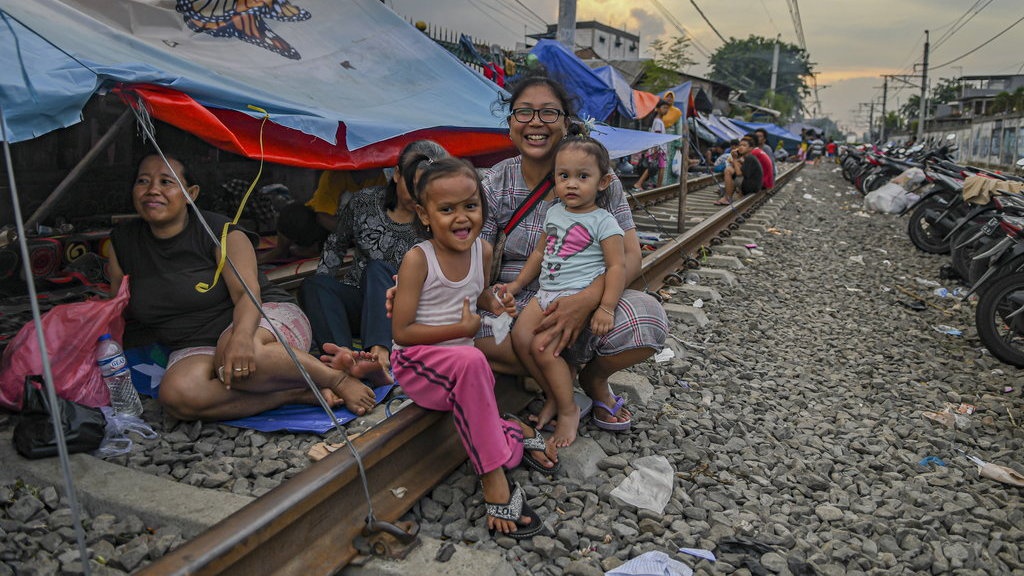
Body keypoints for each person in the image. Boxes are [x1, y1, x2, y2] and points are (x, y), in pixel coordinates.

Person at [108, 153, 388, 421]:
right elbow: (117, 309)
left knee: (242, 359)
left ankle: (337, 378)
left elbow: (247, 295)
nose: (152, 190)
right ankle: (295, 393)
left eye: (166, 182)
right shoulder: (123, 243)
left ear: (190, 193)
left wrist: (240, 340)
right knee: (178, 395)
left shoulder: (220, 232)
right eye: (143, 181)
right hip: (193, 343)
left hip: (259, 318)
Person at [479, 74, 668, 432]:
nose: (535, 122)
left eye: (549, 113)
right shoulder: (495, 182)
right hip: (518, 303)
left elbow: (630, 255)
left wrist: (587, 301)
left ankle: (592, 379)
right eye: (524, 113)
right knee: (466, 331)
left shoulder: (598, 175)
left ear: (566, 123)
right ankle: (560, 374)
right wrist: (487, 294)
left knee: (649, 320)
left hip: (588, 292)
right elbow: (480, 253)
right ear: (510, 126)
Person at [388, 157, 556, 539]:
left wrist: (492, 302)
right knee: (472, 358)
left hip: (462, 363)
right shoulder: (418, 259)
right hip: (418, 365)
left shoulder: (481, 251)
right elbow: (401, 331)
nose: (461, 218)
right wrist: (459, 328)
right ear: (425, 215)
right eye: (446, 209)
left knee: (472, 363)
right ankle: (492, 477)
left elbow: (474, 296)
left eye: (470, 206)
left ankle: (510, 431)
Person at [505, 135, 624, 447]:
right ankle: (557, 396)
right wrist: (517, 285)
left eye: (583, 177)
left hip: (573, 296)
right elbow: (539, 253)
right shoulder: (554, 212)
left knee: (544, 348)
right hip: (545, 291)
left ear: (603, 181)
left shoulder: (604, 221)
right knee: (521, 338)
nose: (572, 184)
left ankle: (568, 409)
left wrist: (605, 307)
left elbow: (616, 267)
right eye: (564, 176)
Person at [300, 141, 448, 369]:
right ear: (397, 174)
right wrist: (325, 288)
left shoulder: (439, 216)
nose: (417, 194)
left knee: (378, 269)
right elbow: (335, 245)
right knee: (315, 284)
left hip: (411, 310)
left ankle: (379, 353)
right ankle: (343, 357)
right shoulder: (364, 202)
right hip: (363, 304)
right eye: (411, 183)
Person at [257, 169, 387, 264]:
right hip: (325, 226)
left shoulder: (378, 176)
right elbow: (322, 217)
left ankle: (310, 250)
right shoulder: (334, 175)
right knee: (292, 215)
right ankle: (281, 250)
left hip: (352, 233)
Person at [632, 100, 669, 191]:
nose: (666, 110)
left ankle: (643, 184)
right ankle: (644, 184)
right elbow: (657, 137)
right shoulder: (658, 122)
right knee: (658, 168)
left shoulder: (658, 121)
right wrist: (656, 150)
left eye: (667, 108)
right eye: (664, 108)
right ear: (658, 109)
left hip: (658, 149)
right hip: (659, 149)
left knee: (656, 167)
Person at [715, 136, 763, 205]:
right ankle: (728, 197)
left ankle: (727, 198)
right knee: (729, 170)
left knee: (728, 171)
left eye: (744, 145)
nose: (741, 147)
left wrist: (734, 159)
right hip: (753, 185)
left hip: (751, 187)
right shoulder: (746, 157)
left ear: (750, 148)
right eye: (740, 145)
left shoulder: (750, 158)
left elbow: (739, 174)